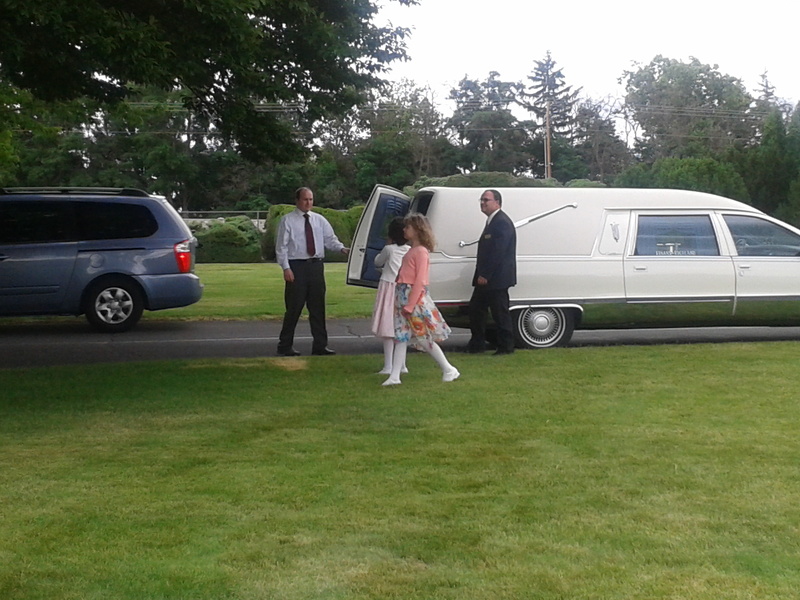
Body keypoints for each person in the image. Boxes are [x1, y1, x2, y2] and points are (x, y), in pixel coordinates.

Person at [383, 214, 459, 386]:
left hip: (413, 297)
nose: (404, 230)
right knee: (401, 337)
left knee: (424, 337)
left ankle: (448, 368)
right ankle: (395, 376)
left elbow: (420, 280)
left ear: (417, 230)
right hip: (403, 294)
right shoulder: (411, 250)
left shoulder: (421, 252)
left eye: (408, 227)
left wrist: (410, 304)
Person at [275, 187, 349, 356]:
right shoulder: (287, 221)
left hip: (315, 267)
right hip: (296, 267)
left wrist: (342, 249)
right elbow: (281, 247)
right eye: (305, 199)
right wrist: (286, 268)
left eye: (310, 200)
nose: (308, 203)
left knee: (317, 308)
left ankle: (320, 345)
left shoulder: (319, 220)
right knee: (294, 308)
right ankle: (285, 345)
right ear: (297, 200)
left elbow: (330, 240)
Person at [467, 189, 517, 355]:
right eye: (481, 200)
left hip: (496, 279)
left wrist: (485, 274)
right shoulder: (492, 221)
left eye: (486, 200)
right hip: (488, 278)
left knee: (500, 313)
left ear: (497, 202)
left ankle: (506, 347)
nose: (482, 203)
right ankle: (477, 344)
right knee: (476, 310)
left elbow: (498, 252)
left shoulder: (501, 222)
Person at [371, 217, 410, 375]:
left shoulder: (389, 249)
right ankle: (402, 365)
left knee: (387, 326)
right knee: (401, 327)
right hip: (403, 289)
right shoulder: (409, 250)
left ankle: (388, 365)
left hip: (388, 287)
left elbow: (377, 262)